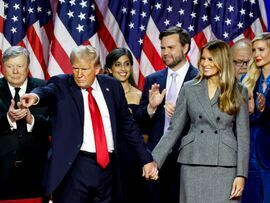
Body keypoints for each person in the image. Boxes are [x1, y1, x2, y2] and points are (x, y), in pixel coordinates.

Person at [20, 45, 158, 203]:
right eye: (75, 68)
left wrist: (146, 159)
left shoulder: (112, 87)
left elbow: (129, 127)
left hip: (108, 169)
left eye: (84, 69)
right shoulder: (63, 83)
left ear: (97, 68)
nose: (79, 74)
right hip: (76, 167)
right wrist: (34, 96)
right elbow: (47, 91)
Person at [152, 40, 250, 203]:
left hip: (225, 164)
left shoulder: (239, 91)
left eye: (210, 59)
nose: (204, 63)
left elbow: (243, 136)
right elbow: (174, 129)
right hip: (193, 161)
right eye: (203, 59)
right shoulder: (189, 88)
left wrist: (241, 174)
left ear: (222, 61)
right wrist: (154, 160)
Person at [136, 26, 198, 203]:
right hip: (157, 158)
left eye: (171, 47)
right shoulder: (153, 80)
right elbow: (140, 123)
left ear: (185, 48)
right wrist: (151, 108)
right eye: (163, 47)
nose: (165, 52)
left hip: (188, 158)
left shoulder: (199, 79)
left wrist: (184, 113)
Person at [0, 46, 50, 200]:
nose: (15, 71)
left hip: (38, 174)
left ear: (28, 67)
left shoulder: (44, 89)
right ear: (3, 68)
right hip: (2, 175)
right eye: (10, 66)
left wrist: (31, 119)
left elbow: (55, 125)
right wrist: (8, 118)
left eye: (20, 66)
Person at [105, 48, 148, 203]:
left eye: (127, 64)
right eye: (118, 64)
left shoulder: (140, 95)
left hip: (133, 159)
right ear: (109, 69)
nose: (123, 69)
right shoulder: (102, 95)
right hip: (109, 157)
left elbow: (145, 131)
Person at [241, 32, 270, 203]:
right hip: (249, 152)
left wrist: (264, 110)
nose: (256, 55)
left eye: (261, 49)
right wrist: (250, 112)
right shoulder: (247, 80)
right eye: (254, 50)